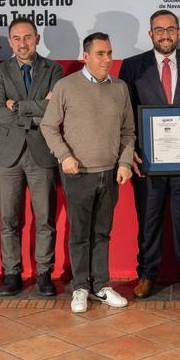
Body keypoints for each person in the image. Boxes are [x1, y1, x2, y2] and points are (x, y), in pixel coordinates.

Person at [40, 32, 134, 313]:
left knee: (102, 233)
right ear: (86, 56)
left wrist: (125, 162)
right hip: (78, 174)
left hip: (110, 174)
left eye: (110, 53)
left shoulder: (120, 88)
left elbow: (128, 131)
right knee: (80, 234)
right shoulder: (66, 86)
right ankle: (80, 287)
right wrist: (65, 156)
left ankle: (101, 286)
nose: (107, 59)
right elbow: (48, 126)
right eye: (101, 54)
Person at [119, 9, 180, 299]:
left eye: (170, 29)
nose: (165, 34)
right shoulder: (133, 66)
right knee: (149, 219)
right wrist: (129, 151)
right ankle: (146, 274)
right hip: (147, 159)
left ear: (178, 32)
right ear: (150, 34)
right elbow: (125, 114)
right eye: (159, 30)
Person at [0, 17, 63, 296]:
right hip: (7, 156)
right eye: (17, 38)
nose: (23, 43)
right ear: (10, 42)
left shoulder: (53, 69)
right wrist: (34, 111)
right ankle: (11, 273)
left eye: (28, 37)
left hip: (42, 152)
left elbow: (53, 109)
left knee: (44, 218)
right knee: (9, 219)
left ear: (37, 38)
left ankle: (44, 273)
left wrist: (17, 106)